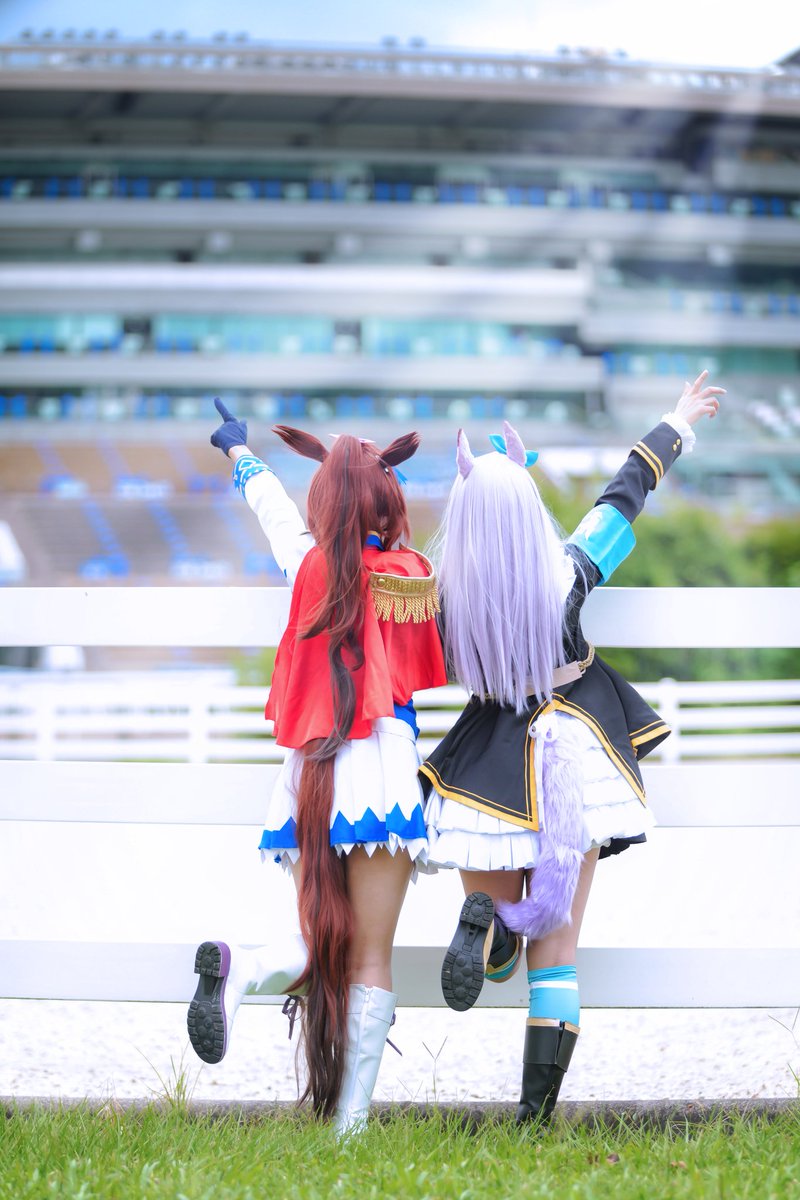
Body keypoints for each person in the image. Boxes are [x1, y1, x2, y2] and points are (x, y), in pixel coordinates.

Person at [420, 371, 724, 1126]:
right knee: (556, 957)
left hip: (488, 762)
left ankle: (489, 933)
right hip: (574, 756)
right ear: (529, 505)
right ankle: (533, 1114)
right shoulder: (569, 568)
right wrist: (676, 423)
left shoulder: (446, 595)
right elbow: (625, 493)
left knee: (492, 899)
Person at [187, 400, 447, 1135]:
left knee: (321, 932)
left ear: (324, 498)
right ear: (385, 499)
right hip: (381, 768)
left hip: (309, 770)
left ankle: (244, 968)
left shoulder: (305, 563)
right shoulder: (410, 576)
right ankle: (350, 1126)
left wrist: (238, 453)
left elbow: (273, 510)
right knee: (368, 953)